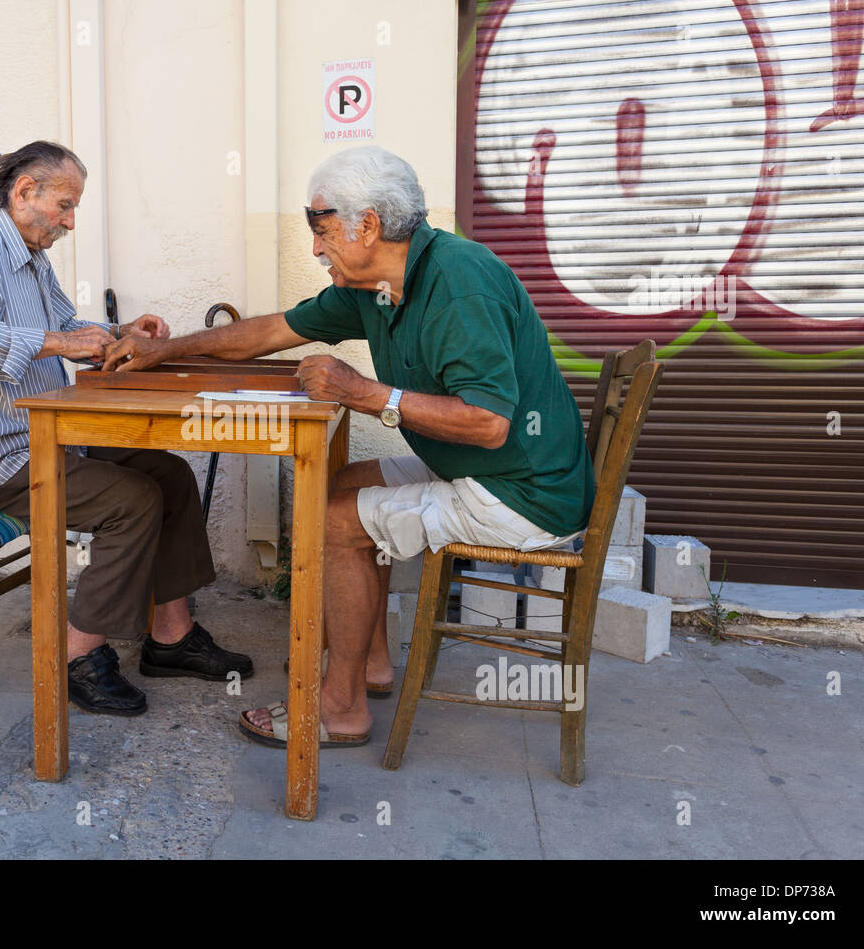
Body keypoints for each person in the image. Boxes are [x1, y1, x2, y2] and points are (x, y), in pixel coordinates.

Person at [102, 145, 593, 747]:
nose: (314, 246)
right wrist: (166, 350)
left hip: (521, 492)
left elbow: (489, 422)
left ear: (368, 225)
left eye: (322, 227)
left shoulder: (460, 284)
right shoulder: (376, 284)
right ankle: (370, 664)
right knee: (339, 488)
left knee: (334, 524)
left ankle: (339, 707)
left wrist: (368, 393)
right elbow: (272, 330)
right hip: (487, 470)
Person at [0, 139, 252, 717]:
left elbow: (64, 326)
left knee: (170, 473)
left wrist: (119, 330)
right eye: (65, 206)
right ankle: (77, 657)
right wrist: (57, 342)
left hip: (46, 437)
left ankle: (170, 637)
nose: (71, 221)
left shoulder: (29, 255)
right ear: (25, 192)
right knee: (132, 500)